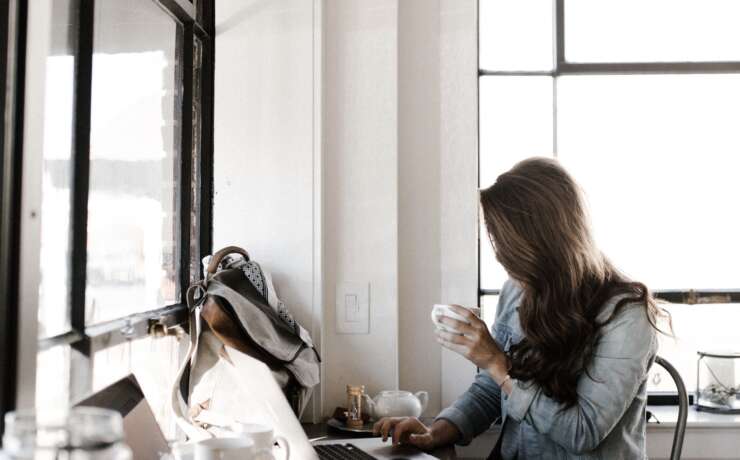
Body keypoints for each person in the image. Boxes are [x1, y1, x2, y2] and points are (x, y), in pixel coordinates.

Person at [373, 157, 668, 459]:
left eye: (506, 244)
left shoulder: (628, 317)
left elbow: (583, 432)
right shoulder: (517, 291)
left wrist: (497, 362)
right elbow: (492, 389)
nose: (500, 256)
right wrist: (435, 432)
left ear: (542, 242)